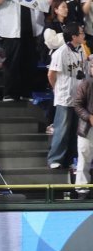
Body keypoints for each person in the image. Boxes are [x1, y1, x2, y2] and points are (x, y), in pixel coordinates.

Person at [47, 26, 89, 170]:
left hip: (79, 97)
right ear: (73, 36)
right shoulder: (61, 52)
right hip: (64, 97)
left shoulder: (82, 50)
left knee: (75, 130)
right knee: (62, 129)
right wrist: (57, 89)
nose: (84, 36)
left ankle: (70, 159)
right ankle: (55, 159)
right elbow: (51, 74)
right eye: (81, 33)